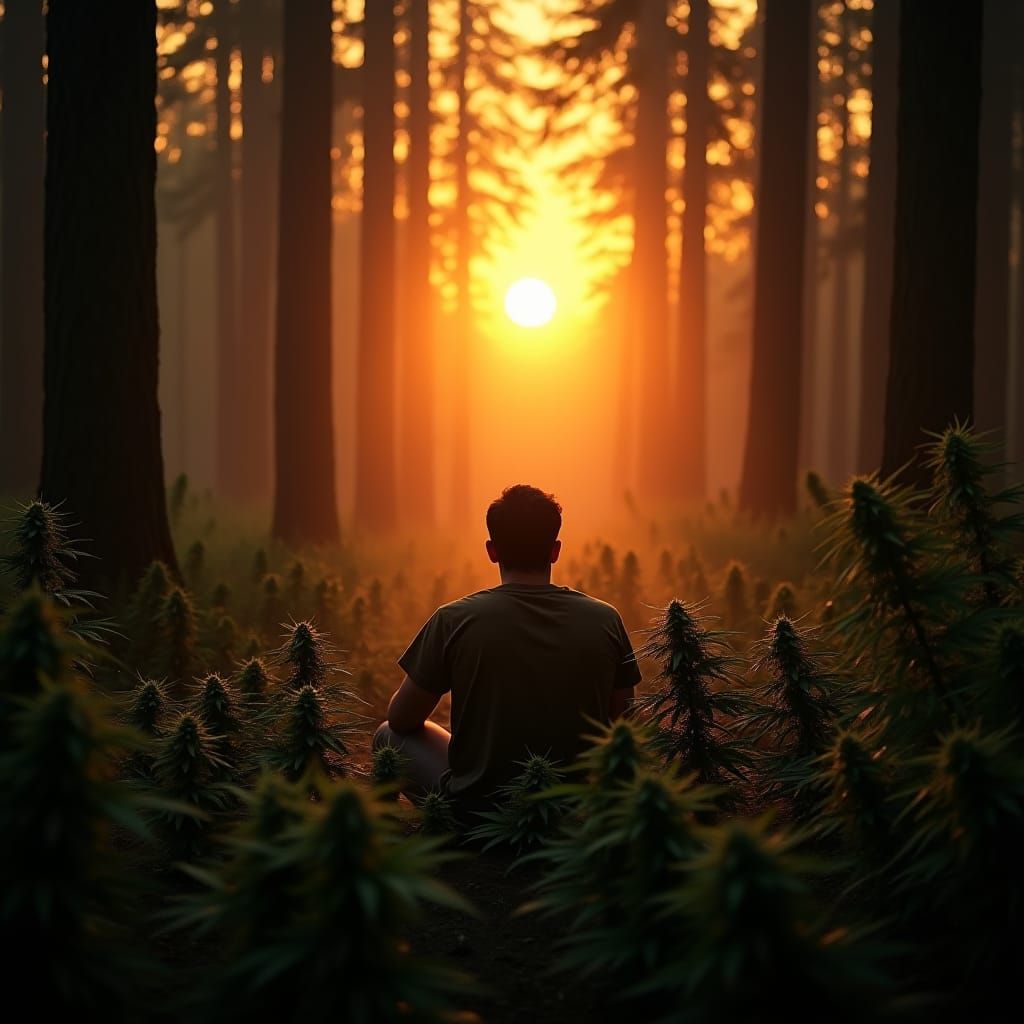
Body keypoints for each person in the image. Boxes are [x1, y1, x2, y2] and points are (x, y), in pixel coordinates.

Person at [373, 483, 642, 815]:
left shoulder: (454, 619)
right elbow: (626, 726)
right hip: (576, 815)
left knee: (388, 736)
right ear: (555, 550)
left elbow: (401, 719)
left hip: (476, 814)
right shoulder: (605, 620)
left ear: (492, 550)